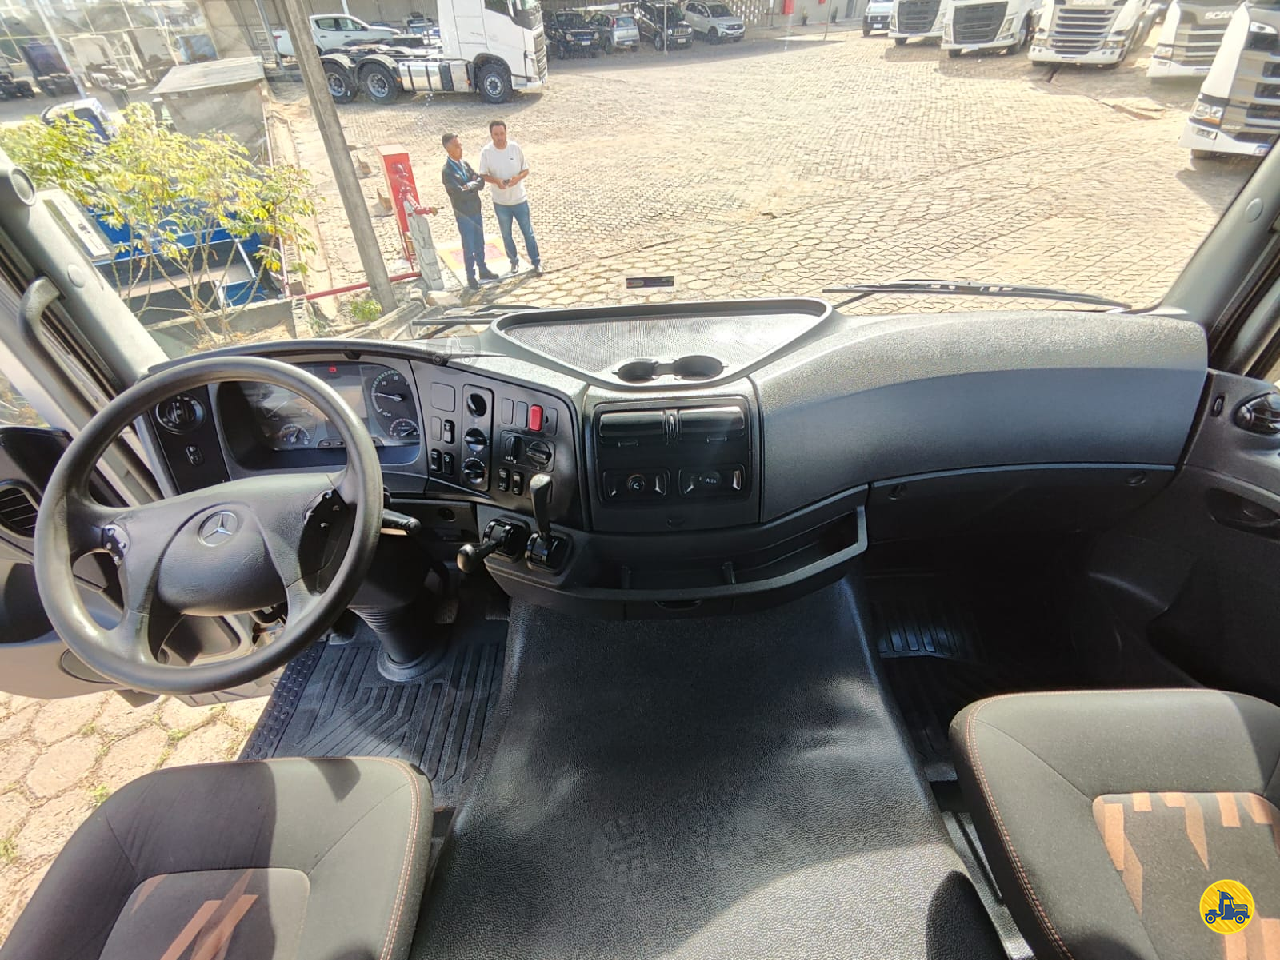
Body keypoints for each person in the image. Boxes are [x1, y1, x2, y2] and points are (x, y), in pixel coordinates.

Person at [479, 120, 542, 276]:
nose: (500, 137)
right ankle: (513, 262)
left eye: (502, 133)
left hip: (519, 200)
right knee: (506, 235)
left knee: (528, 233)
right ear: (491, 135)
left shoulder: (515, 148)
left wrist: (517, 178)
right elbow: (483, 175)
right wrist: (496, 181)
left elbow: (525, 169)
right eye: (496, 134)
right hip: (501, 202)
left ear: (506, 132)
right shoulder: (487, 152)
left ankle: (536, 262)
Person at [441, 132, 498, 290]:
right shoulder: (447, 171)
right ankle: (470, 275)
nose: (460, 148)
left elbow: (480, 181)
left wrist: (470, 186)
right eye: (456, 146)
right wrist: (471, 186)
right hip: (463, 213)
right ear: (448, 149)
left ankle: (483, 269)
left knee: (480, 241)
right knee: (469, 245)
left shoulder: (464, 164)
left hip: (475, 209)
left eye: (460, 145)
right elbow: (458, 192)